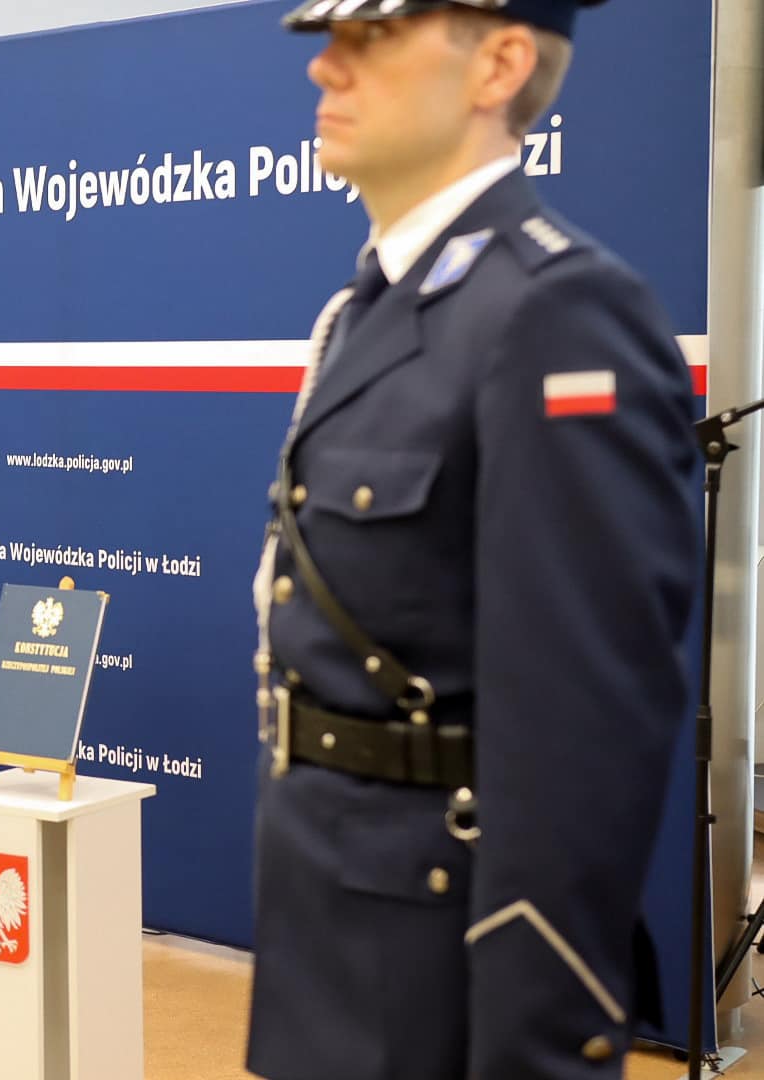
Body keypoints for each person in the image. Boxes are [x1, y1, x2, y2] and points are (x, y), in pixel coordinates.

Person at [248, 2, 701, 1077]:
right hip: (338, 907)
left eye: (372, 39)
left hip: (445, 954)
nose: (325, 69)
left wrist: (538, 1038)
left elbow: (584, 730)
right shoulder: (370, 308)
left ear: (500, 64)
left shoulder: (557, 310)